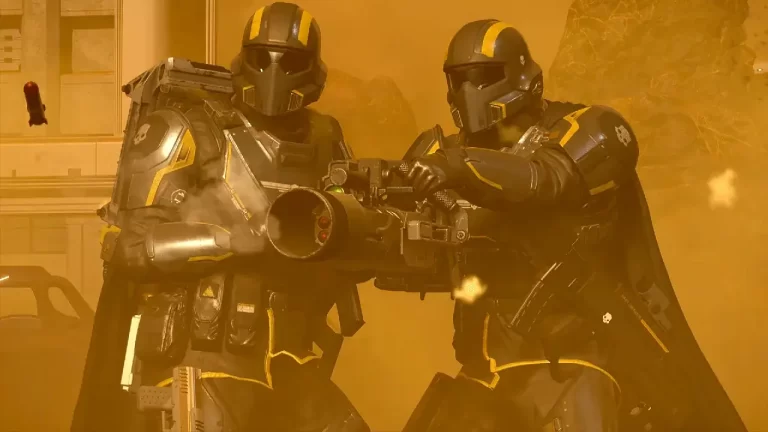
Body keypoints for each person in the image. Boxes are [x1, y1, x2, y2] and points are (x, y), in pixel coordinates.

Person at [399, 19, 748, 432]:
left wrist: (456, 168)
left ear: (520, 75)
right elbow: (391, 235)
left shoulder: (589, 131)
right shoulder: (442, 156)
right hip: (485, 374)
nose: (469, 91)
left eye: (483, 76)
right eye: (460, 80)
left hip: (581, 364)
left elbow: (544, 180)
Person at [71, 3, 369, 431]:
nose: (274, 72)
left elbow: (350, 232)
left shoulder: (326, 141)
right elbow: (130, 246)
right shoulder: (191, 129)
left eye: (290, 62)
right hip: (203, 355)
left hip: (289, 355)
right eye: (263, 58)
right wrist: (232, 239)